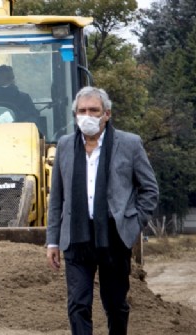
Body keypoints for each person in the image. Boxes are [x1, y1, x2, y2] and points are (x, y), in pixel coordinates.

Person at [46, 86, 159, 335]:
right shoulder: (64, 146)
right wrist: (52, 241)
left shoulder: (129, 144)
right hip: (76, 235)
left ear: (106, 114)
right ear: (75, 114)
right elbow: (57, 198)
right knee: (77, 305)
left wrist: (134, 221)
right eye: (82, 110)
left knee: (116, 305)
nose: (87, 115)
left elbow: (150, 190)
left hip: (114, 235)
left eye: (94, 110)